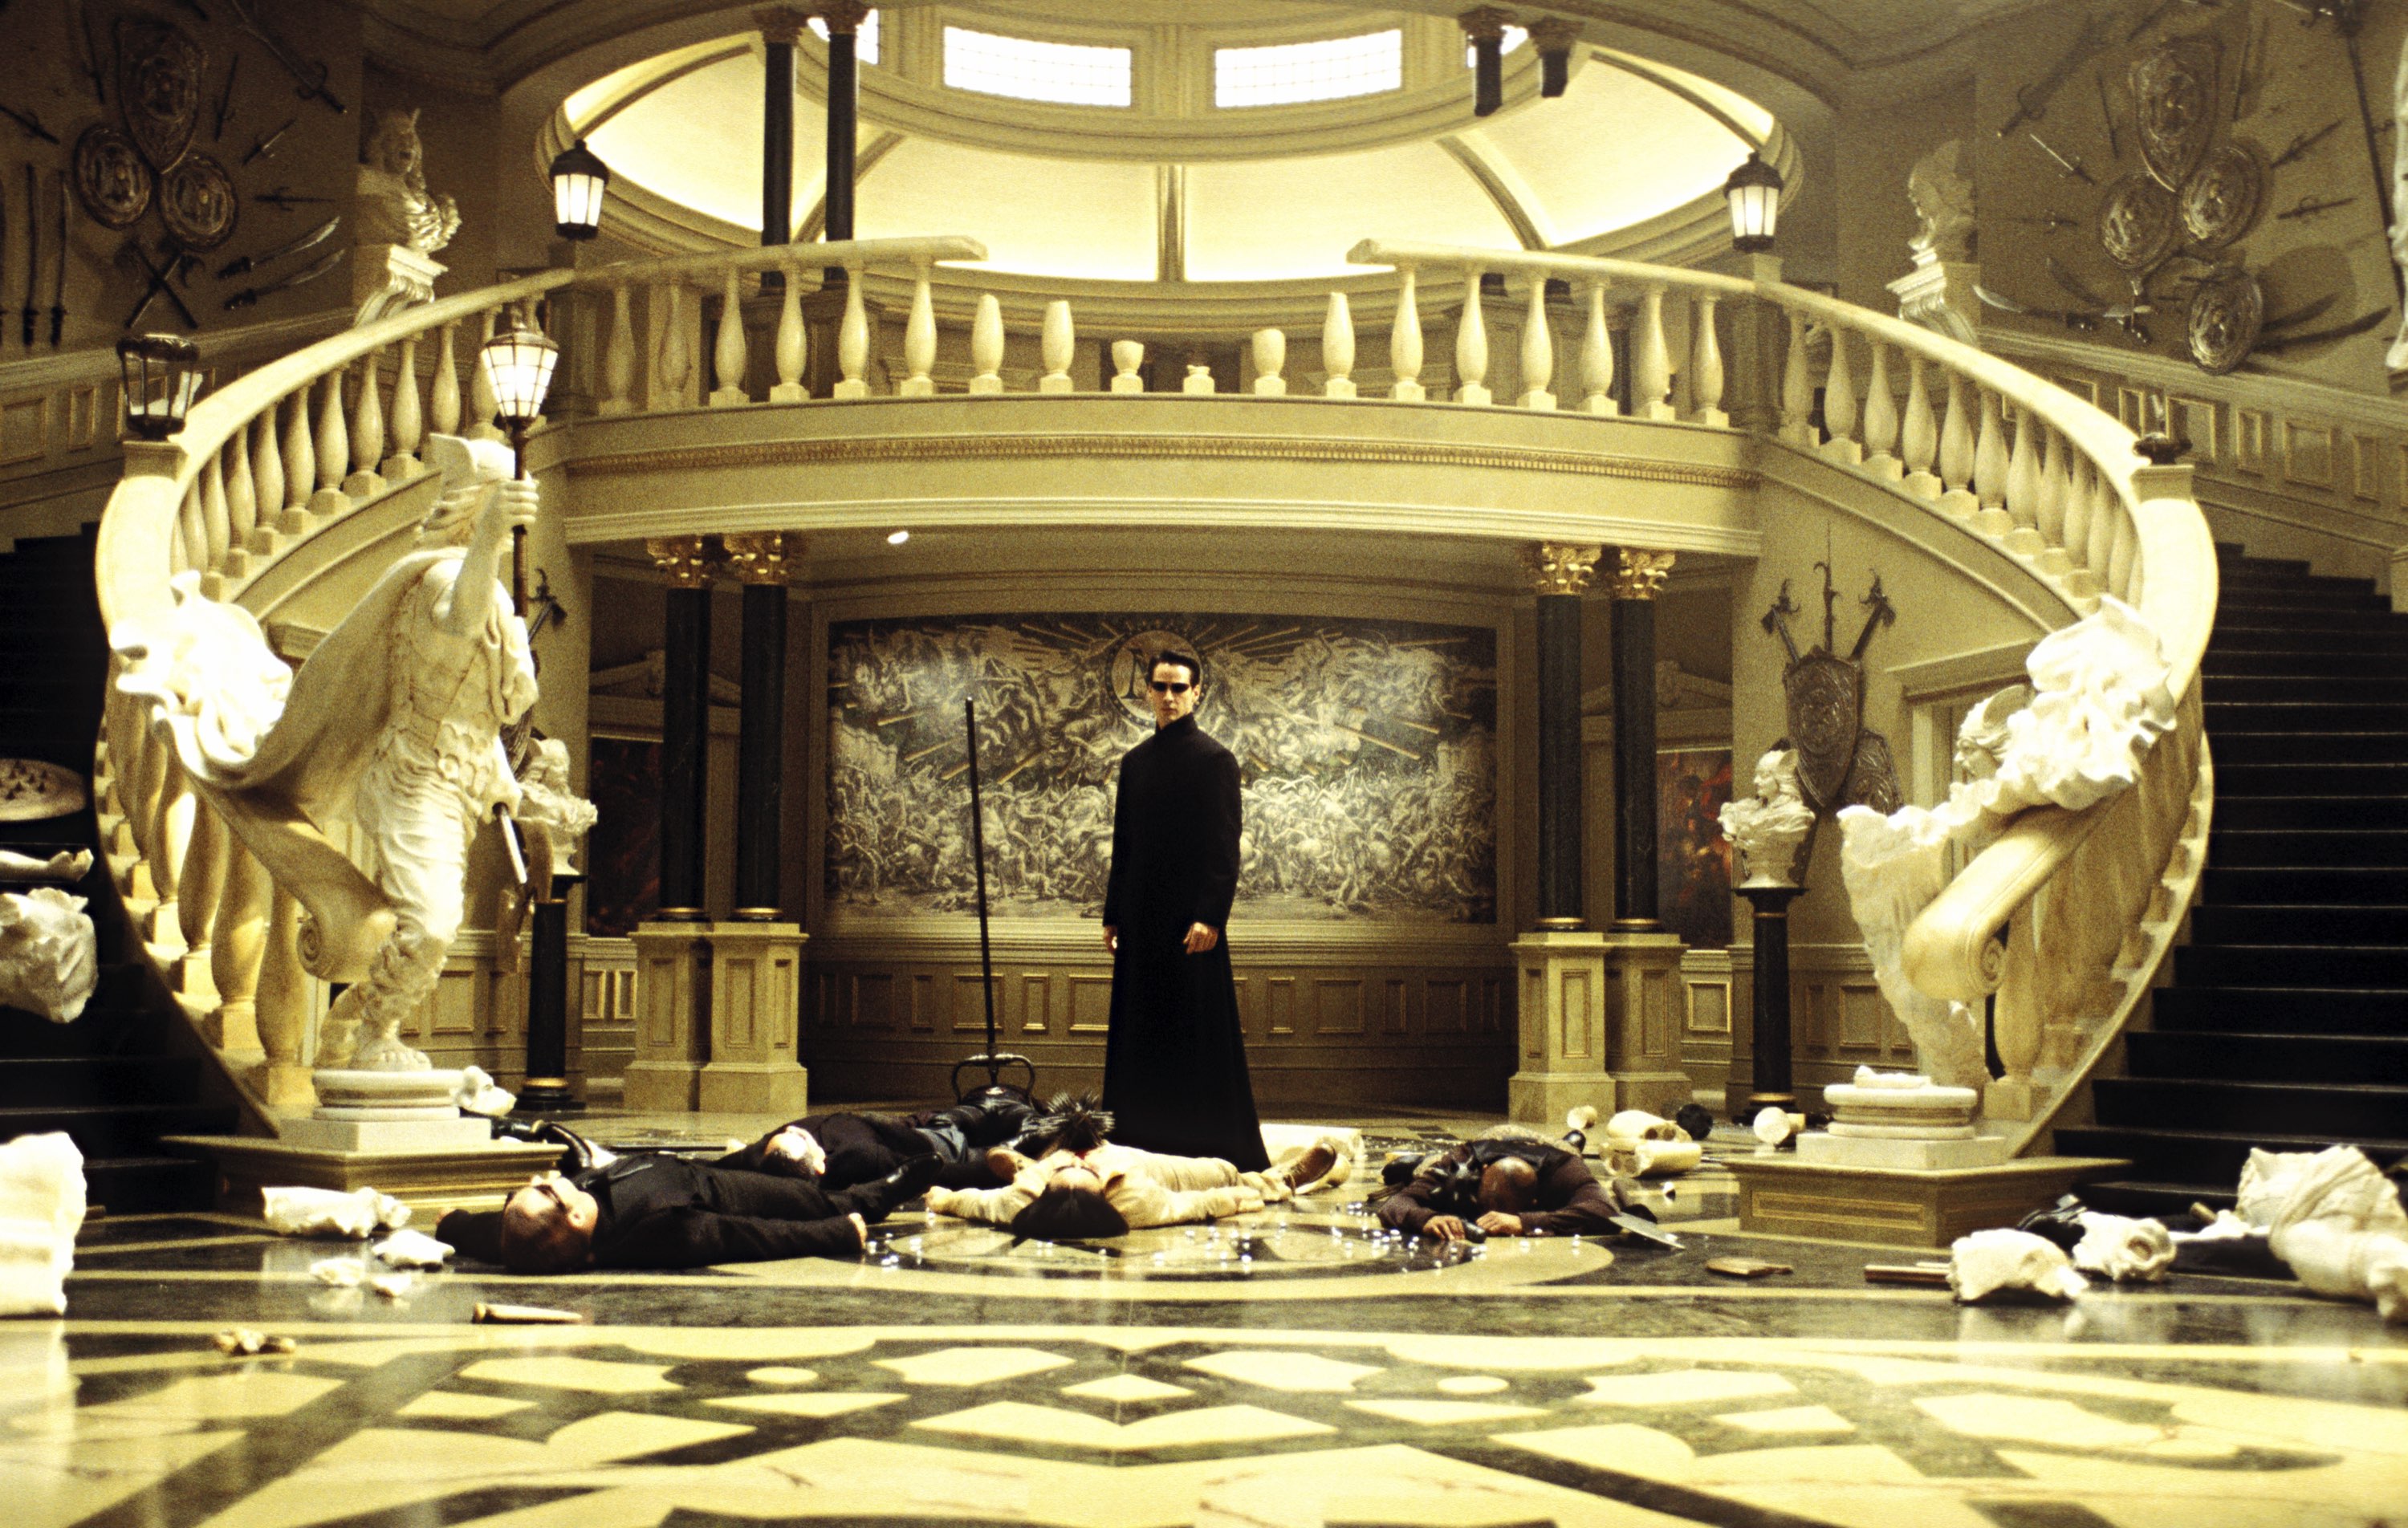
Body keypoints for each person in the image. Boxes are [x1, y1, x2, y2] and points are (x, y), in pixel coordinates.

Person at [1100, 649, 1268, 1171]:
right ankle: (1138, 1140)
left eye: (1179, 688)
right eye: (1160, 687)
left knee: (1195, 1031)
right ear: (1147, 692)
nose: (1169, 697)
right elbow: (1124, 844)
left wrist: (1211, 917)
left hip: (1192, 923)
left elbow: (1224, 846)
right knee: (1140, 1029)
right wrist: (1112, 913)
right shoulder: (1135, 763)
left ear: (1197, 693)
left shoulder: (1216, 759)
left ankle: (1206, 1145)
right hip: (1139, 919)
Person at [436, 1149, 940, 1273]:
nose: (539, 1181)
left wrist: (452, 1224)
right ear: (575, 1220)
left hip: (685, 1169)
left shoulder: (524, 1233)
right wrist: (835, 1233)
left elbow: (492, 1232)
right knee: (821, 1202)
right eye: (548, 1192)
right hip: (721, 1193)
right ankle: (883, 1192)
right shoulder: (661, 1228)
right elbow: (743, 1236)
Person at [922, 1093, 1330, 1238]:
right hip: (1141, 1166)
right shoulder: (1137, 1203)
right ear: (1105, 1195)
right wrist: (1242, 1196)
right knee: (1222, 1169)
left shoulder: (1020, 1200)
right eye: (1087, 1175)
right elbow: (1196, 1204)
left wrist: (942, 1198)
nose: (1083, 1164)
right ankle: (1282, 1180)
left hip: (1049, 1163)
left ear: (1045, 1191)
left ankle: (1026, 1165)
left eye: (1069, 1173)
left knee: (1048, 1157)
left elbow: (975, 1203)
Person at [714, 1094, 1037, 1192]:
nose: (795, 1130)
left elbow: (718, 1170)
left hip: (906, 1123)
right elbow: (933, 1172)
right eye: (799, 1138)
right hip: (937, 1143)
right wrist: (1007, 1170)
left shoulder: (768, 1154)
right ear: (820, 1165)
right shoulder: (861, 1158)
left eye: (788, 1133)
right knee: (1009, 1118)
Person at [1377, 1136, 1629, 1242]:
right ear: (1483, 1172)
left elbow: (1605, 1210)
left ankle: (1572, 1138)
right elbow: (1396, 1203)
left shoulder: (1565, 1169)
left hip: (1552, 1146)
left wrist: (1524, 1222)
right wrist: (1425, 1219)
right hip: (1490, 1140)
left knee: (1573, 1142)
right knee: (1409, 1171)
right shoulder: (1463, 1160)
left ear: (1533, 1201)